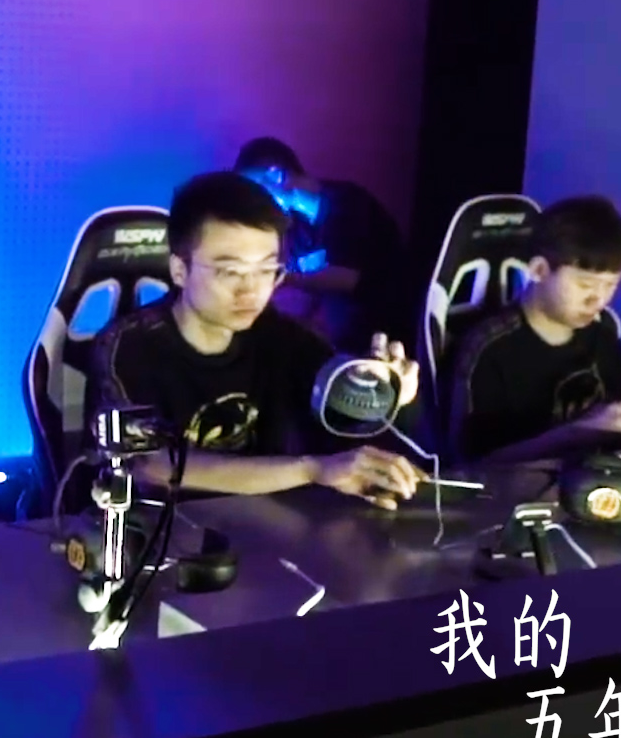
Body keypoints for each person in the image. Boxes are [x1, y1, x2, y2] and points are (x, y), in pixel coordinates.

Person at [84, 171, 425, 509]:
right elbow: (151, 465)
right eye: (230, 272)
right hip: (158, 528)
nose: (251, 290)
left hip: (262, 525)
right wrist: (312, 470)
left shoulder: (283, 338)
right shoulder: (127, 347)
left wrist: (383, 392)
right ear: (180, 270)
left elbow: (340, 411)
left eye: (266, 271)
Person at [445, 195, 621, 465]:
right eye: (585, 285)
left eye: (611, 285)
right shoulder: (489, 348)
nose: (598, 300)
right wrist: (582, 430)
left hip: (595, 484)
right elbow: (478, 466)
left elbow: (618, 446)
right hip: (514, 489)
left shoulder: (604, 339)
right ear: (539, 270)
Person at [233, 137, 410, 353]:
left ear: (276, 175)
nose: (255, 204)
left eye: (256, 192)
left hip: (385, 342)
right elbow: (313, 287)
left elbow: (347, 279)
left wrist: (278, 276)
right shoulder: (298, 227)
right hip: (344, 344)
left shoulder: (348, 204)